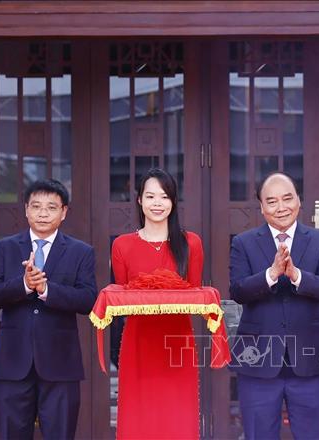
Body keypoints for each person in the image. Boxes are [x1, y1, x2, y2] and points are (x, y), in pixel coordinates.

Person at [0, 179, 97, 439]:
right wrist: (23, 285)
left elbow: (89, 299)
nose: (43, 213)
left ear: (64, 212)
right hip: (13, 364)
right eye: (36, 206)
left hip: (61, 365)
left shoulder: (81, 252)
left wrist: (46, 290)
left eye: (51, 207)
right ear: (26, 209)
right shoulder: (4, 248)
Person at [229, 172, 319, 440]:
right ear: (262, 208)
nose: (281, 207)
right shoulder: (243, 242)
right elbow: (238, 290)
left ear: (299, 201)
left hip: (311, 361)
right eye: (272, 201)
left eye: (288, 198)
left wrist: (296, 275)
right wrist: (271, 273)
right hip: (258, 361)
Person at [111, 168, 204, 439]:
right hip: (138, 341)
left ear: (173, 201)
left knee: (178, 416)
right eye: (150, 196)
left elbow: (195, 294)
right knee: (139, 417)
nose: (157, 203)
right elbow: (122, 301)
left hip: (177, 341)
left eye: (164, 197)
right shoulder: (122, 245)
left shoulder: (191, 243)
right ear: (139, 200)